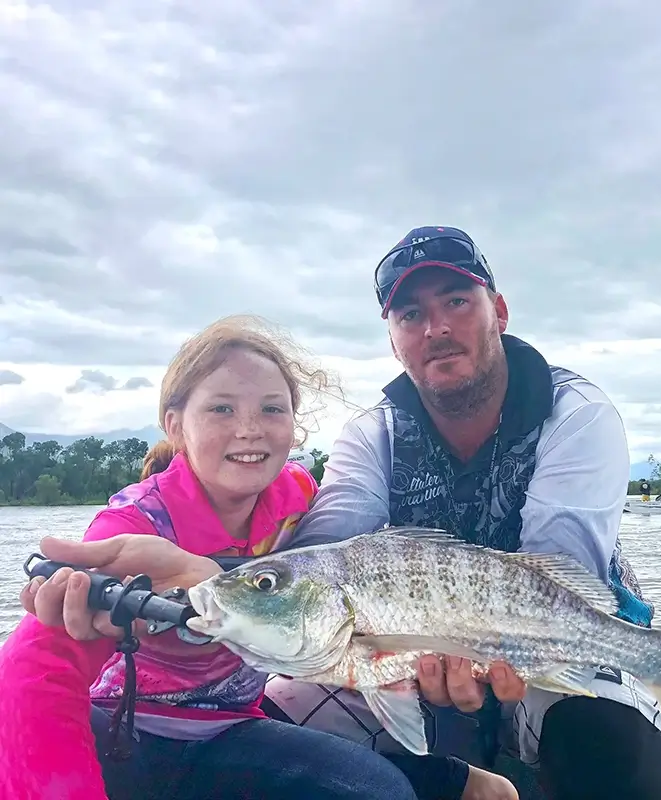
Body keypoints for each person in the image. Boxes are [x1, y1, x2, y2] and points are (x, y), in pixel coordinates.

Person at [257, 226, 661, 800]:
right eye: (410, 314)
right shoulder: (370, 434)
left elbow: (560, 562)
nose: (436, 328)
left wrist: (476, 647)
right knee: (270, 722)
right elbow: (329, 541)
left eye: (456, 301)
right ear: (394, 339)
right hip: (405, 650)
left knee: (615, 752)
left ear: (498, 311)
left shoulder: (576, 414)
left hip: (556, 642)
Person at [0, 315, 424, 800]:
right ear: (175, 426)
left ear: (295, 422)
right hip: (121, 728)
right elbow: (34, 668)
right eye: (222, 409)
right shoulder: (133, 527)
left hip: (230, 729)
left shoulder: (299, 502)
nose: (249, 430)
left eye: (271, 409)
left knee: (380, 791)